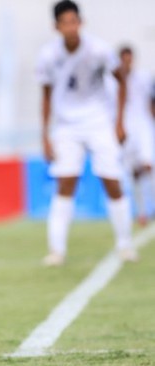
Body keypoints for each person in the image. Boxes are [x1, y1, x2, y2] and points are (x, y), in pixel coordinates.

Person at [36, 0, 136, 266]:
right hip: (67, 126)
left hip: (100, 122)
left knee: (112, 181)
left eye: (74, 21)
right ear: (56, 26)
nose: (71, 27)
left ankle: (125, 245)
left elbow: (121, 79)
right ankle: (57, 250)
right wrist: (45, 134)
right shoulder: (48, 55)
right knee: (65, 183)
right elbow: (45, 95)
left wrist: (119, 122)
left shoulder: (99, 49)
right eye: (65, 22)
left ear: (81, 22)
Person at [116, 46, 155, 225]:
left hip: (144, 126)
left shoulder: (145, 77)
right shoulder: (113, 81)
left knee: (149, 165)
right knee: (134, 173)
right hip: (126, 128)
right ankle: (142, 212)